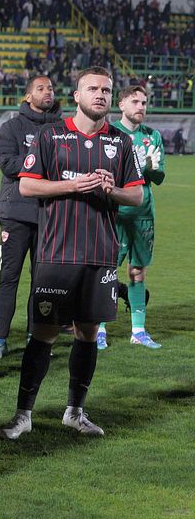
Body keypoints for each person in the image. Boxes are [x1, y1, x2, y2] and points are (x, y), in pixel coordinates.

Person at [0, 67, 144, 441]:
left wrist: (112, 190)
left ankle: (75, 412)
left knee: (88, 332)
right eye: (92, 89)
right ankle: (23, 415)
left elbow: (137, 196)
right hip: (57, 254)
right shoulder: (51, 135)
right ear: (77, 95)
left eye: (106, 90)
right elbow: (28, 187)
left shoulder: (120, 143)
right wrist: (73, 184)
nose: (100, 95)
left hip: (101, 255)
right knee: (44, 333)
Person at [0, 75, 61, 360]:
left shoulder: (60, 129)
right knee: (9, 278)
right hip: (15, 214)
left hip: (49, 214)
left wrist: (31, 164)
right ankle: (0, 339)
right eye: (41, 88)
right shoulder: (11, 127)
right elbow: (7, 163)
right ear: (29, 96)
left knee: (42, 281)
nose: (47, 92)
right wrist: (41, 164)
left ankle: (35, 337)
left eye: (50, 88)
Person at [97, 85, 165, 350]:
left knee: (137, 271)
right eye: (135, 101)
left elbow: (159, 178)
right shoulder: (110, 134)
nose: (141, 106)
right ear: (121, 104)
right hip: (114, 213)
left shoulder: (153, 136)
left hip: (143, 215)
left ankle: (138, 331)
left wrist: (151, 167)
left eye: (144, 102)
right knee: (106, 271)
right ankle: (99, 329)